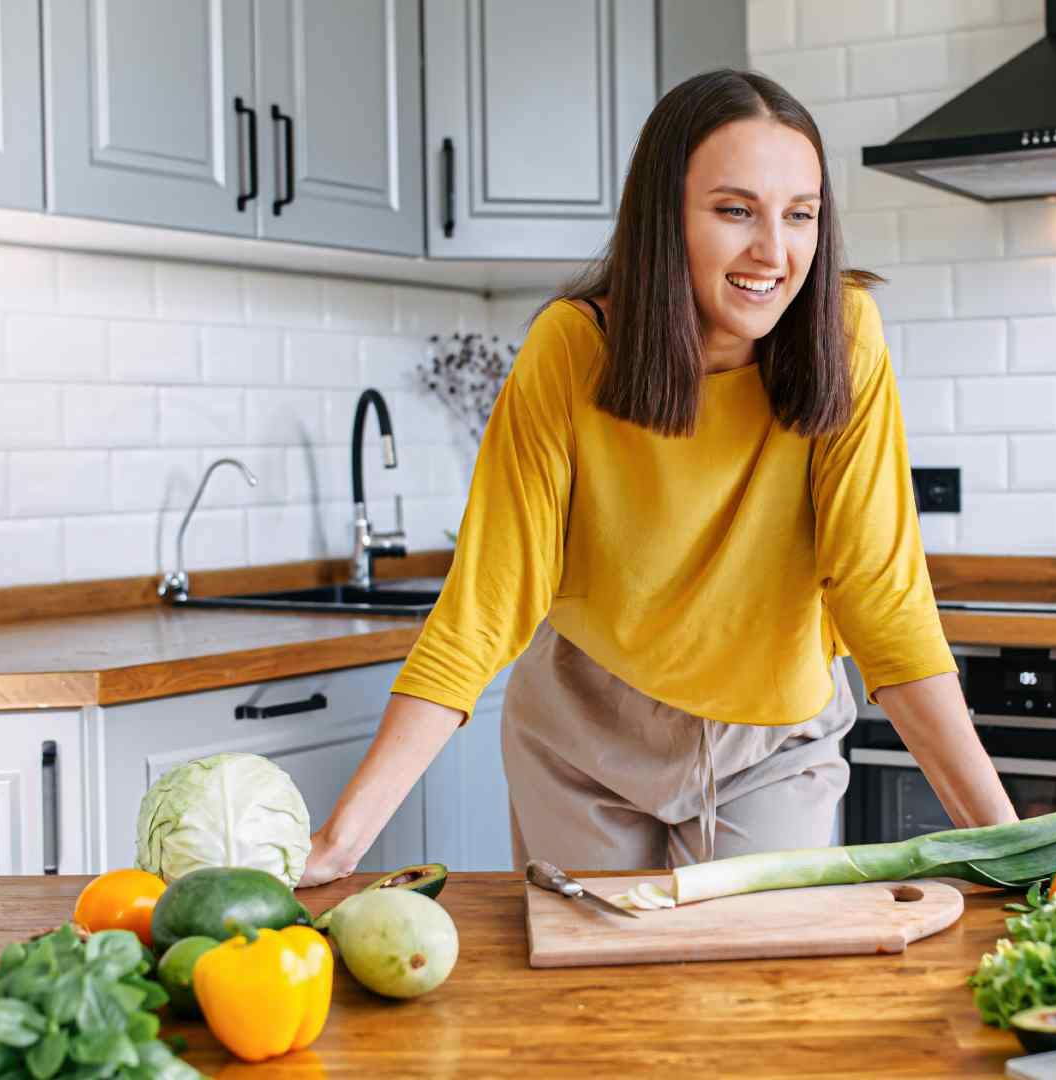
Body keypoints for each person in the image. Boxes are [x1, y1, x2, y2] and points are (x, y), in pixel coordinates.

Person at [300, 70, 1016, 886]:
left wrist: (1007, 847)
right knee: (593, 1003)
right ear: (664, 215)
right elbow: (486, 606)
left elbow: (881, 596)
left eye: (800, 215)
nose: (773, 253)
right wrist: (342, 841)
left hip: (771, 743)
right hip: (583, 735)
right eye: (734, 210)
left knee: (750, 1003)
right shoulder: (571, 349)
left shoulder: (845, 336)